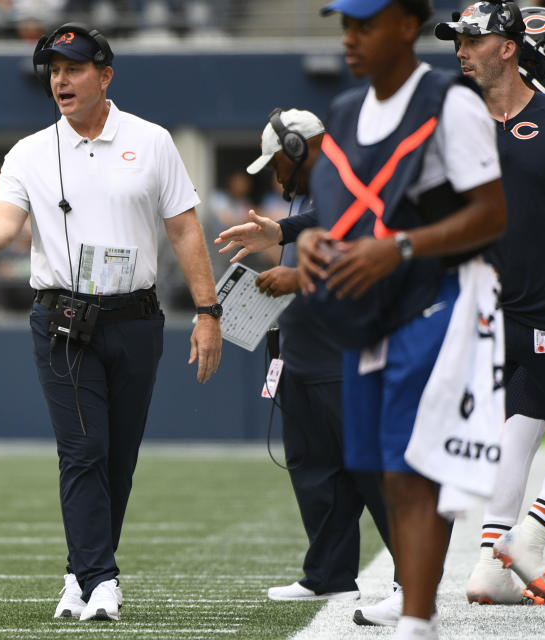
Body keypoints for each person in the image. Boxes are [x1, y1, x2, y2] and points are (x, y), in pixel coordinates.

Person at [0, 22, 222, 622]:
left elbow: (184, 228)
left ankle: (80, 572)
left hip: (137, 318)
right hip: (63, 320)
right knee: (84, 448)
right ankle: (101, 578)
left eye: (73, 68)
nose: (60, 81)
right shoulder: (30, 152)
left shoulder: (152, 141)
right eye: (53, 71)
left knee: (118, 456)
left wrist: (207, 311)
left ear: (105, 75)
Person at [295, 1, 509, 638]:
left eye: (366, 23)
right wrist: (310, 244)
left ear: (407, 24)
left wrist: (403, 246)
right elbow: (336, 219)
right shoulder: (340, 112)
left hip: (439, 297)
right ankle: (418, 614)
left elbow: (492, 214)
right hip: (371, 311)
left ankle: (417, 622)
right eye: (346, 26)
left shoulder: (451, 100)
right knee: (380, 469)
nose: (351, 39)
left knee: (409, 471)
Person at [216, 109, 399, 624]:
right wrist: (281, 231)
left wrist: (291, 259)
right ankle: (329, 574)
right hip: (306, 348)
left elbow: (359, 228)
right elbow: (320, 223)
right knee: (313, 467)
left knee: (369, 464)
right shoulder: (313, 194)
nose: (276, 177)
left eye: (277, 164)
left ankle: (412, 577)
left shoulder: (353, 175)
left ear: (297, 148)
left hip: (347, 346)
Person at [434, 2, 545, 605]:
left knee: (520, 418)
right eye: (458, 43)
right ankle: (523, 538)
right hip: (517, 311)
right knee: (488, 429)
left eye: (473, 41)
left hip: (539, 312)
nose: (461, 52)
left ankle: (494, 562)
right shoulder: (459, 121)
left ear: (510, 48)